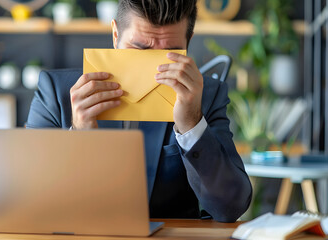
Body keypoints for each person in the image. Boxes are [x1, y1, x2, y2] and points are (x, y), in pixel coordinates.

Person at [26, 0, 252, 222]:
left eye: (170, 52)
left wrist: (192, 124)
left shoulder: (205, 95)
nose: (152, 67)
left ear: (188, 42)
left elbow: (230, 206)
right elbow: (29, 199)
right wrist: (80, 135)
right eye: (140, 48)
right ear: (115, 35)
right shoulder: (56, 92)